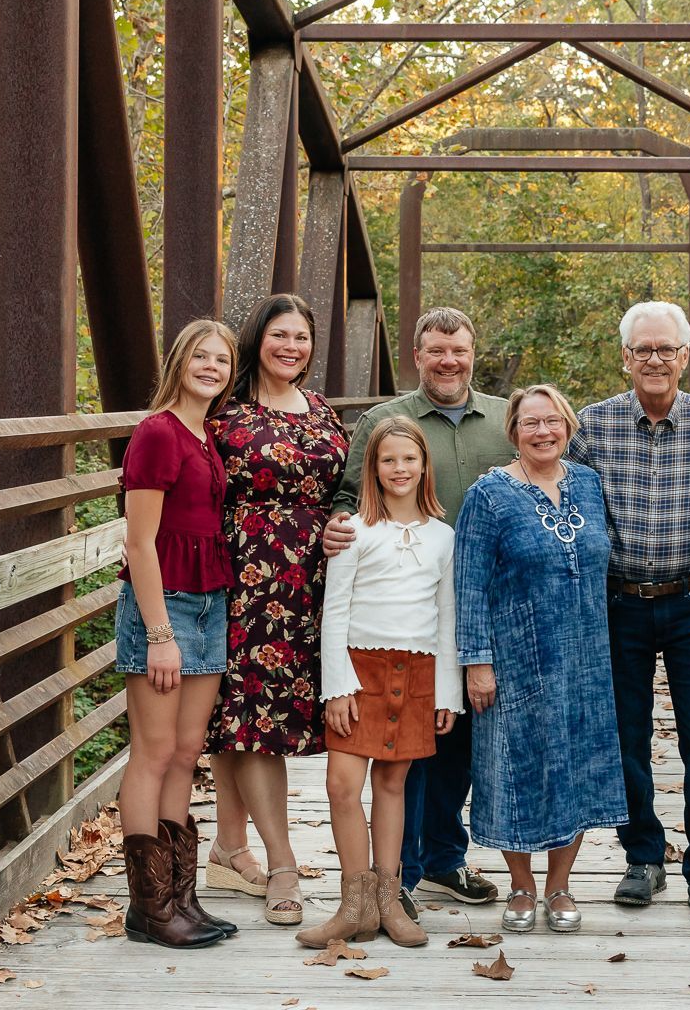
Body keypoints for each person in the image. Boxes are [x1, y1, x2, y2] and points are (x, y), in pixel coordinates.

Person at [323, 307, 514, 919]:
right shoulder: (387, 421)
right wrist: (335, 528)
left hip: (480, 597)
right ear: (417, 353)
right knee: (397, 753)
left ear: (473, 351)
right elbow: (351, 498)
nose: (448, 361)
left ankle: (443, 860)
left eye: (458, 349)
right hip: (395, 605)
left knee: (451, 730)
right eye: (435, 350)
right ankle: (394, 875)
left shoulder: (505, 419)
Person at [567, 301, 690, 928]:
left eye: (665, 349)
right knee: (625, 737)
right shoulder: (592, 426)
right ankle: (642, 856)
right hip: (619, 602)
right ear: (625, 356)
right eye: (642, 349)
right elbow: (564, 505)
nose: (654, 359)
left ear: (684, 355)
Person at [455, 385, 624, 935]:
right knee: (517, 765)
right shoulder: (490, 495)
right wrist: (477, 660)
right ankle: (522, 885)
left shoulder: (589, 484)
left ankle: (560, 884)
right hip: (517, 655)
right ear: (514, 431)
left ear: (569, 426)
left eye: (553, 421)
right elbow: (469, 584)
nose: (544, 432)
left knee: (575, 767)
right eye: (532, 423)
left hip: (585, 657)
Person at [203, 295, 350, 926]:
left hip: (314, 581)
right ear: (256, 339)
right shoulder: (224, 412)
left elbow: (348, 486)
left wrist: (343, 524)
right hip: (246, 578)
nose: (290, 347)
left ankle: (229, 847)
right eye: (278, 335)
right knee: (252, 716)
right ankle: (283, 863)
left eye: (301, 337)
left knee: (251, 717)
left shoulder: (323, 412)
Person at [299, 418, 463, 950]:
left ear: (424, 467)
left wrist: (448, 691)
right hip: (359, 670)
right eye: (388, 460)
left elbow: (446, 618)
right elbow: (335, 611)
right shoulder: (354, 529)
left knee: (393, 785)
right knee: (343, 784)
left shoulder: (444, 537)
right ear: (373, 467)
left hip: (415, 671)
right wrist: (338, 686)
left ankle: (390, 900)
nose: (400, 469)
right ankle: (355, 905)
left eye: (409, 460)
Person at [114, 319, 243, 950]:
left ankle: (179, 899)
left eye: (222, 360)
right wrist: (159, 632)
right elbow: (139, 542)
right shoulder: (157, 433)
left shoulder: (205, 434)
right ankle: (148, 909)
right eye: (201, 356)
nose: (212, 368)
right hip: (163, 606)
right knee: (154, 750)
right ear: (179, 361)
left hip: (209, 603)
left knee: (188, 753)